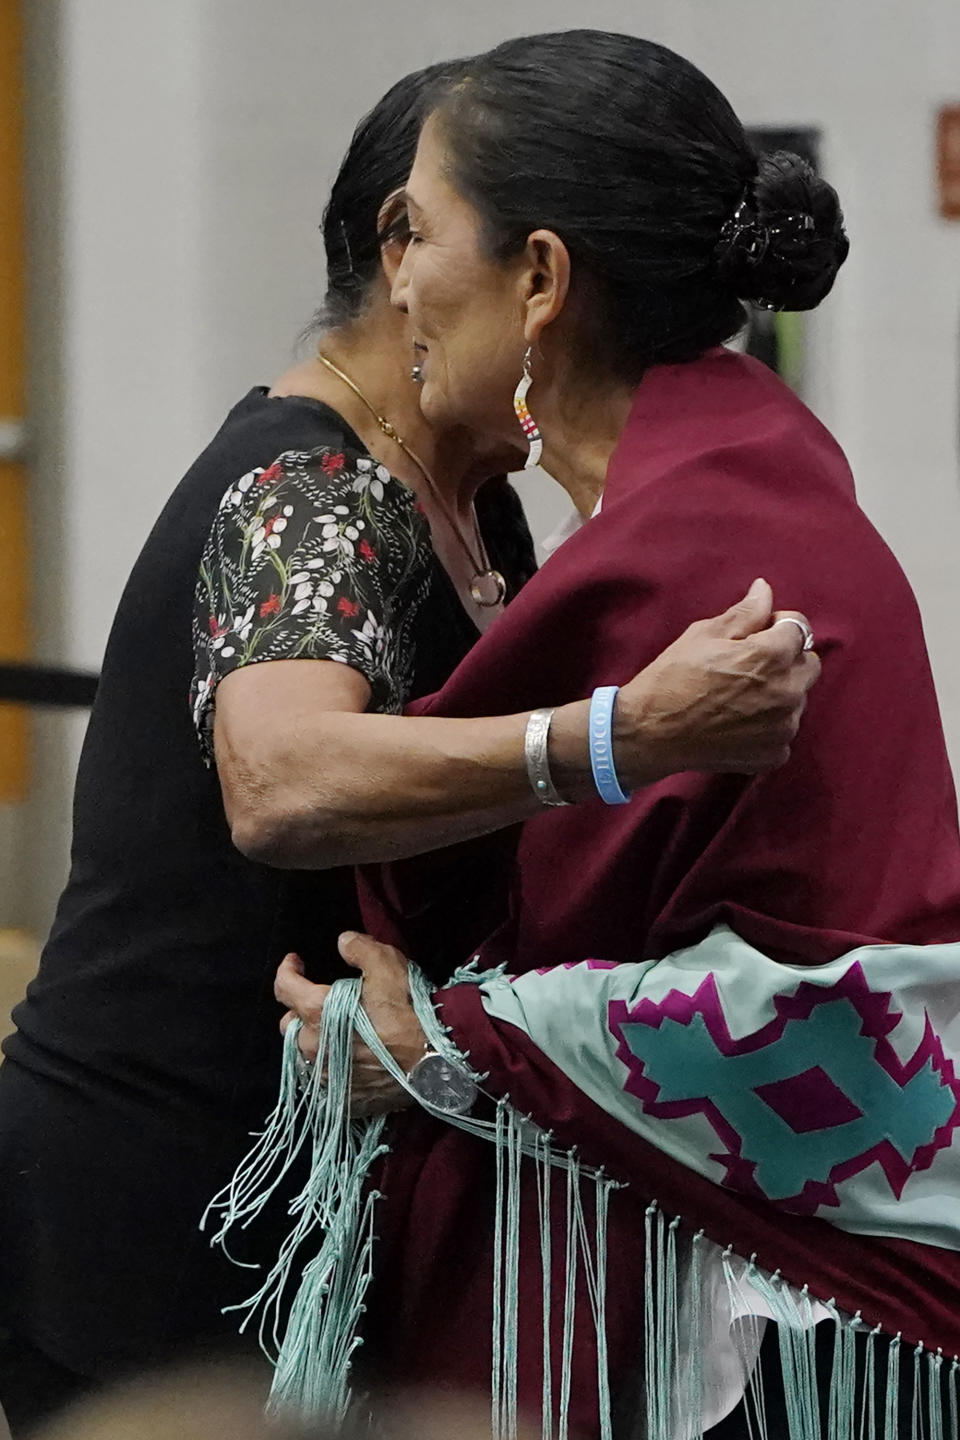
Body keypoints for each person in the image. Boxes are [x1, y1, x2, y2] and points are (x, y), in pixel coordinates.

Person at [0, 57, 816, 1439]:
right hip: (156, 1188)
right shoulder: (308, 485)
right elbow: (286, 781)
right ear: (420, 262)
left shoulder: (480, 505)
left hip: (316, 1187)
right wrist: (631, 734)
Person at [249, 29, 960, 1440]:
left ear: (541, 279)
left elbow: (854, 994)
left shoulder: (711, 542)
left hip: (752, 1325)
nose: (398, 282)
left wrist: (450, 1042)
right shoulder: (725, 486)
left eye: (420, 230)